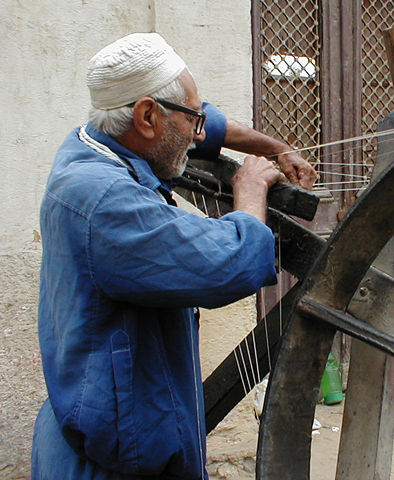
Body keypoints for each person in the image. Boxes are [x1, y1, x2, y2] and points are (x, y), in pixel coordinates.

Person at [32, 32, 316, 480]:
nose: (199, 133)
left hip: (107, 427)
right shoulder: (105, 201)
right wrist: (250, 191)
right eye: (192, 119)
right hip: (114, 463)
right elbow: (233, 262)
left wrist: (272, 147)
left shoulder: (93, 141)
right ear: (147, 116)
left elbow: (207, 127)